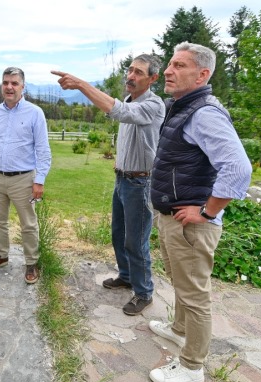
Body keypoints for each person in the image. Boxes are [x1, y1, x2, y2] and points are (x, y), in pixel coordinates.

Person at [147, 42, 252, 382]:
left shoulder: (204, 112)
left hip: (191, 224)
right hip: (173, 217)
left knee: (194, 295)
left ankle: (192, 366)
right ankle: (179, 331)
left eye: (179, 65)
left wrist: (207, 212)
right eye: (170, 65)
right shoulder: (182, 108)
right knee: (182, 283)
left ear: (202, 74)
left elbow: (237, 168)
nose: (167, 71)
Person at [51, 54, 165, 315]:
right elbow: (120, 111)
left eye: (138, 72)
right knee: (118, 235)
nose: (131, 76)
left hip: (140, 182)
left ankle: (144, 292)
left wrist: (81, 85)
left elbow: (119, 112)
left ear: (153, 78)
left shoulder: (153, 105)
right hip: (123, 178)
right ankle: (126, 276)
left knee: (136, 242)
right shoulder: (129, 98)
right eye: (130, 70)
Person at [0, 67, 52, 284]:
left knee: (28, 224)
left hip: (23, 179)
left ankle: (31, 262)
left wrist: (39, 180)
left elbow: (43, 150)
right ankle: (1, 256)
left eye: (14, 83)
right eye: (6, 83)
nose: (9, 87)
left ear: (23, 86)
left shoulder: (34, 113)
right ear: (2, 85)